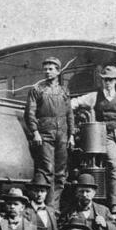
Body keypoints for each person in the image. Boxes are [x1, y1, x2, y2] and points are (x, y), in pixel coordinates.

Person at [75, 65, 116, 213]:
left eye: (111, 80)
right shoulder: (94, 96)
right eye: (105, 80)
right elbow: (75, 102)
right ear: (102, 81)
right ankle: (114, 204)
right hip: (107, 135)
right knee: (114, 167)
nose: (108, 82)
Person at [23, 56, 74, 210]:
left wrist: (71, 135)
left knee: (60, 173)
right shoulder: (37, 89)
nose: (47, 72)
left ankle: (55, 207)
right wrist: (35, 132)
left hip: (63, 135)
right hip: (45, 134)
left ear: (58, 72)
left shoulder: (64, 91)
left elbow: (69, 114)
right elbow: (29, 113)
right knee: (47, 170)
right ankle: (48, 207)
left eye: (51, 69)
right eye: (45, 69)